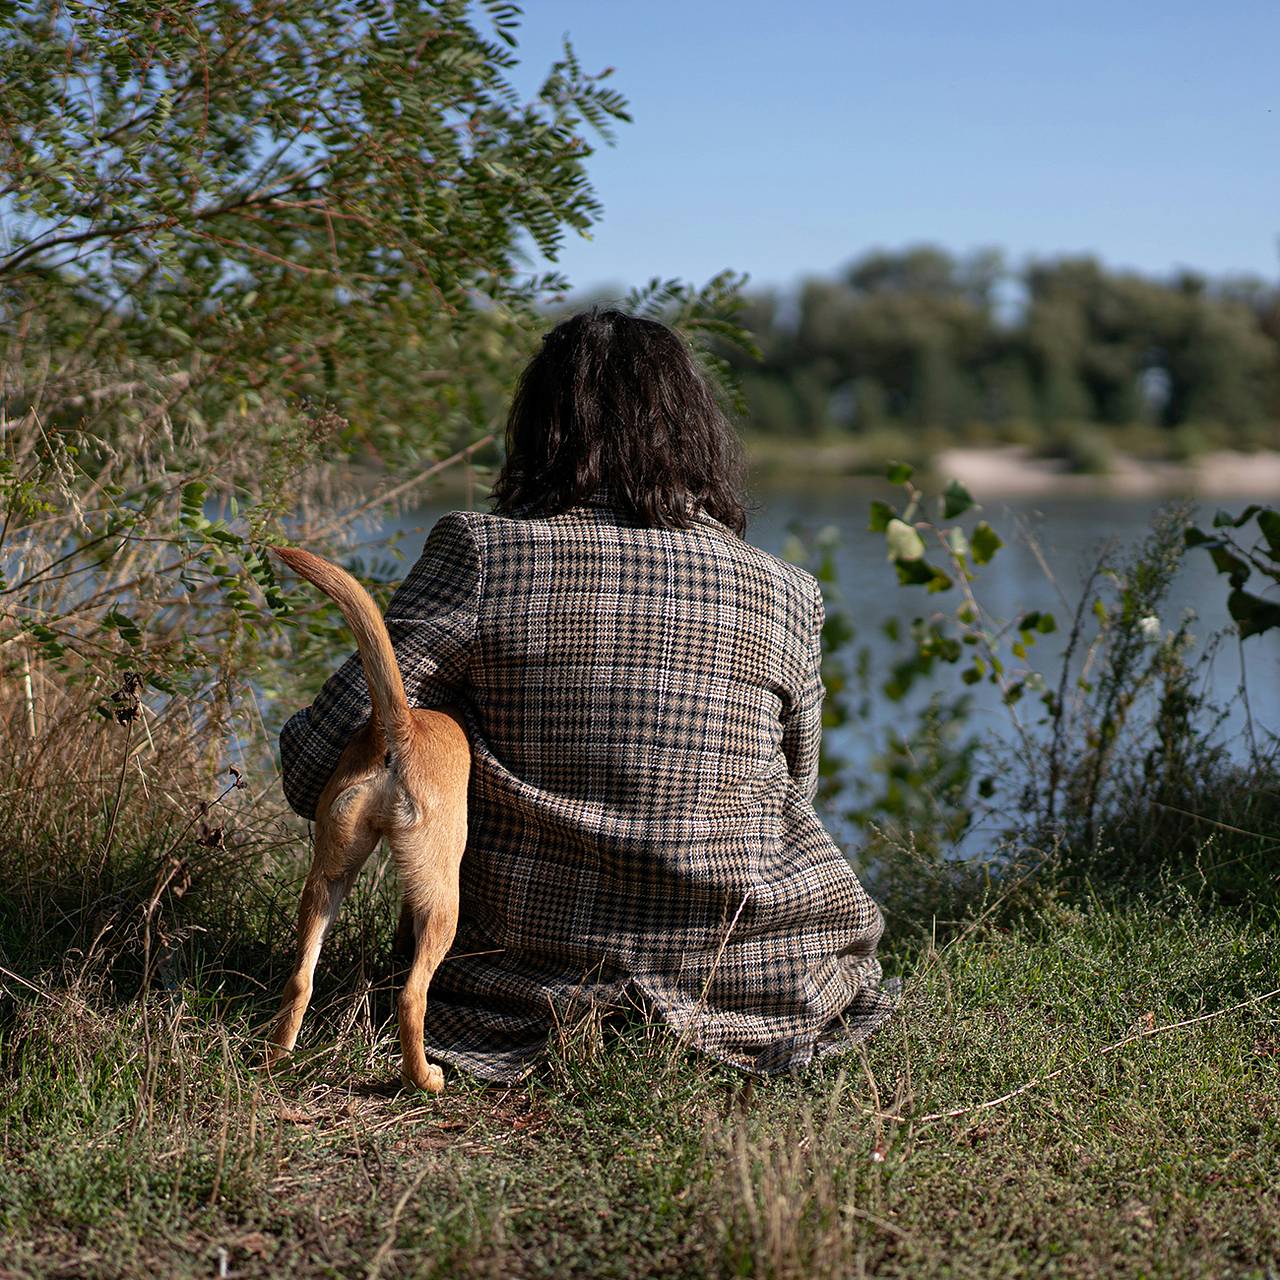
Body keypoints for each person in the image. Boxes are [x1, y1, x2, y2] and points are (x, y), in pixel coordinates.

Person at [279, 308, 895, 1081]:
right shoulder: (785, 590)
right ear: (698, 437)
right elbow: (795, 791)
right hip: (758, 989)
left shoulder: (485, 554)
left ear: (538, 432)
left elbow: (314, 771)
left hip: (513, 996)